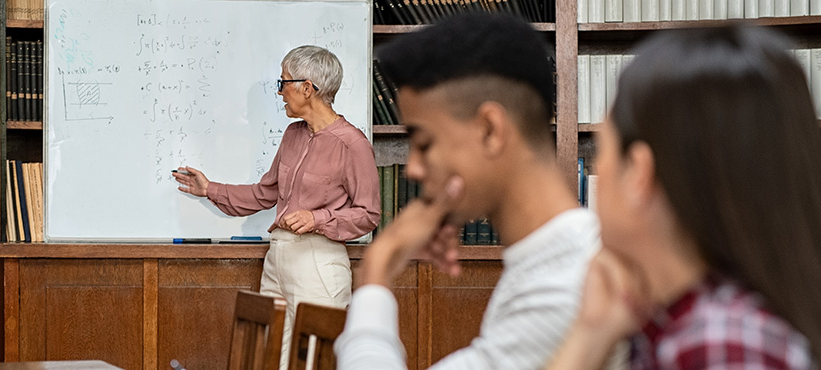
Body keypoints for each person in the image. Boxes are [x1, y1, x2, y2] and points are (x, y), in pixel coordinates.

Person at [335, 13, 623, 370]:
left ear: (490, 130)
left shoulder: (565, 289)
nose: (413, 169)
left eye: (424, 143)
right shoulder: (555, 260)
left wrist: (377, 267)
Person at [545, 25, 821, 369]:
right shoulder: (676, 321)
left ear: (638, 173)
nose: (599, 164)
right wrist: (590, 334)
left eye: (602, 149)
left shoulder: (721, 344)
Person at [173, 45, 380, 368]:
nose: (280, 91)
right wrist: (209, 189)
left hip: (319, 263)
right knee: (267, 358)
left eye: (284, 82)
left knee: (312, 361)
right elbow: (265, 193)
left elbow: (369, 214)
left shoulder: (352, 144)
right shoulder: (293, 135)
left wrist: (318, 218)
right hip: (278, 258)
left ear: (307, 88)